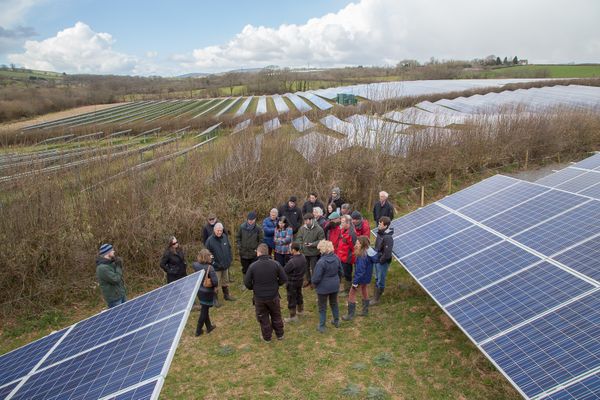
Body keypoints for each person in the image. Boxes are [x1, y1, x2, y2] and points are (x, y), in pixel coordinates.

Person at [244, 244, 288, 342]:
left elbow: (247, 283)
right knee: (276, 315)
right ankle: (279, 335)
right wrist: (276, 285)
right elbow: (284, 278)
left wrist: (254, 287)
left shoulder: (253, 266)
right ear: (268, 252)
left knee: (263, 318)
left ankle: (267, 337)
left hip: (259, 298)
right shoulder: (276, 264)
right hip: (273, 296)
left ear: (258, 253)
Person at [311, 240, 343, 333]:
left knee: (322, 307)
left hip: (323, 288)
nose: (319, 251)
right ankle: (336, 321)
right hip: (334, 285)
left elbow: (316, 278)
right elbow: (341, 272)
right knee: (334, 304)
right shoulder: (336, 258)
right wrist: (337, 280)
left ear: (323, 249)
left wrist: (314, 284)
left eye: (320, 249)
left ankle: (322, 326)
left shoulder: (321, 262)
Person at [343, 236, 377, 321]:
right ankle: (365, 311)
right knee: (364, 289)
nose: (356, 244)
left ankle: (350, 315)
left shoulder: (362, 256)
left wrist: (355, 282)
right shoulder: (368, 252)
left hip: (361, 278)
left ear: (362, 244)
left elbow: (360, 271)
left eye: (357, 243)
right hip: (366, 277)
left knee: (351, 293)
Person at [205, 223, 236, 306]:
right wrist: (214, 263)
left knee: (225, 281)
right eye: (218, 230)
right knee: (216, 283)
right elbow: (207, 255)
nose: (219, 232)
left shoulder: (225, 237)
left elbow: (229, 248)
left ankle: (226, 295)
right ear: (214, 230)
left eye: (221, 230)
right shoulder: (209, 241)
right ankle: (215, 299)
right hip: (216, 267)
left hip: (225, 265)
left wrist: (229, 259)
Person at [193, 249, 218, 336]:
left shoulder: (195, 265)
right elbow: (215, 282)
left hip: (199, 291)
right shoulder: (210, 268)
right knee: (204, 311)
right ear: (207, 257)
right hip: (207, 292)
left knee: (205, 308)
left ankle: (209, 327)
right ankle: (198, 330)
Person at [296, 213, 324, 287]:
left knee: (314, 268)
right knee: (305, 267)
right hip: (304, 252)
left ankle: (314, 282)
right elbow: (298, 238)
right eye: (304, 221)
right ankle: (307, 280)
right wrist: (301, 245)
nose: (305, 222)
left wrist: (313, 244)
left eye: (306, 220)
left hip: (314, 253)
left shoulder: (319, 229)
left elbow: (321, 240)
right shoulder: (302, 228)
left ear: (311, 220)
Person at [371, 216, 394, 306]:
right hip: (377, 259)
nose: (378, 225)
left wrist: (381, 261)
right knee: (377, 278)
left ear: (385, 226)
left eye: (380, 224)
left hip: (382, 262)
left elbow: (387, 253)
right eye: (379, 223)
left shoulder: (388, 237)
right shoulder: (380, 233)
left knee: (380, 280)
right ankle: (375, 297)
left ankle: (377, 299)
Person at [96, 243, 127, 308]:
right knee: (119, 317)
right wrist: (118, 266)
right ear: (108, 253)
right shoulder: (102, 268)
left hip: (121, 294)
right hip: (114, 299)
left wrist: (118, 263)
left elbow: (119, 275)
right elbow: (116, 279)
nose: (114, 251)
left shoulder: (110, 262)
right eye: (112, 250)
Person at [283, 242, 307, 322]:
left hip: (292, 282)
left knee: (291, 298)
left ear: (293, 250)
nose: (289, 250)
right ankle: (300, 310)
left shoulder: (292, 261)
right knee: (299, 295)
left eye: (290, 248)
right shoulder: (303, 257)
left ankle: (293, 316)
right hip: (300, 281)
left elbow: (285, 270)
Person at [236, 211, 264, 276]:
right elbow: (238, 237)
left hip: (253, 254)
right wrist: (240, 247)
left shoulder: (258, 229)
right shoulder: (242, 227)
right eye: (249, 220)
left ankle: (253, 283)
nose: (250, 221)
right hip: (243, 253)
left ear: (255, 219)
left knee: (254, 269)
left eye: (252, 220)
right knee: (245, 270)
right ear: (247, 219)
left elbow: (261, 240)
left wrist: (257, 250)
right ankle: (246, 283)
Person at [336, 214, 357, 297]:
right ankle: (342, 287)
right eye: (341, 221)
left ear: (348, 223)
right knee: (341, 272)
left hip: (347, 258)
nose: (341, 223)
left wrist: (351, 257)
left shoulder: (352, 233)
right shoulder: (343, 230)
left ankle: (347, 290)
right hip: (340, 255)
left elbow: (354, 247)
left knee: (347, 273)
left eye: (343, 222)